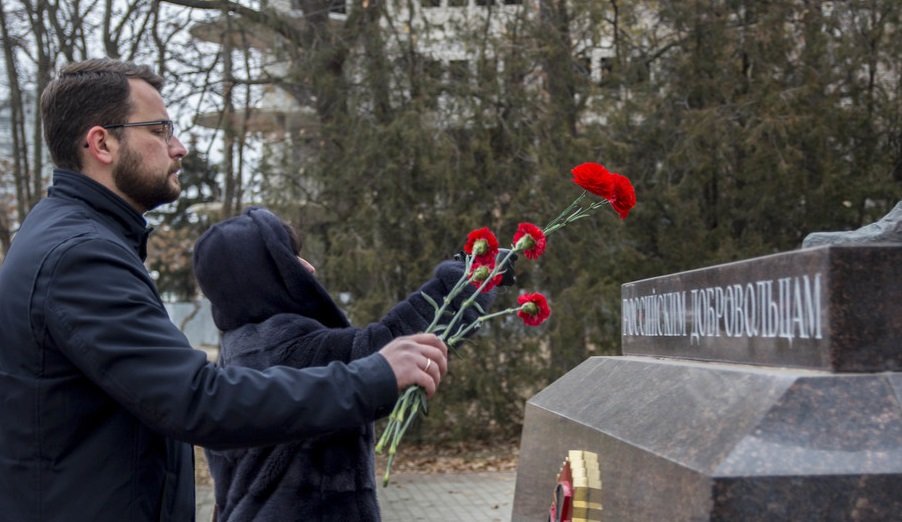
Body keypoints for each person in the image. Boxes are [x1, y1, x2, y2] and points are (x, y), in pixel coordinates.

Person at [0, 58, 448, 521]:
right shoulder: (80, 256)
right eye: (159, 130)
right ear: (102, 143)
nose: (179, 148)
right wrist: (374, 375)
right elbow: (197, 400)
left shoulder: (66, 236)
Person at [192, 207, 494, 521]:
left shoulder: (236, 349)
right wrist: (468, 277)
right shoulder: (283, 344)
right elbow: (392, 345)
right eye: (290, 258)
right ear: (264, 276)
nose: (308, 268)